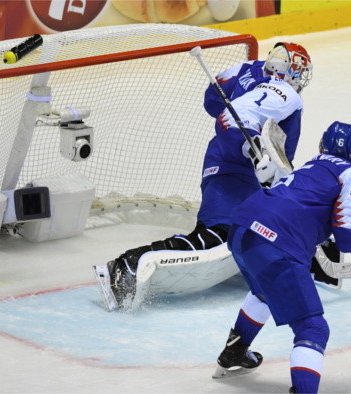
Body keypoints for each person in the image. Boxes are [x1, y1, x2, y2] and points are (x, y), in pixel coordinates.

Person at [94, 42, 316, 310]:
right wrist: (249, 143)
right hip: (233, 170)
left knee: (259, 230)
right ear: (290, 71)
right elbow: (228, 118)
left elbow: (213, 99)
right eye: (300, 72)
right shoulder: (285, 92)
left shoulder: (245, 69)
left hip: (237, 164)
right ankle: (126, 265)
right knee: (214, 236)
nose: (301, 80)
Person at [212, 121, 351, 393]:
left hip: (241, 228)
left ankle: (234, 352)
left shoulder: (310, 167)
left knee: (263, 291)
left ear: (320, 146)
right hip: (276, 243)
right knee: (313, 329)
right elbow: (348, 236)